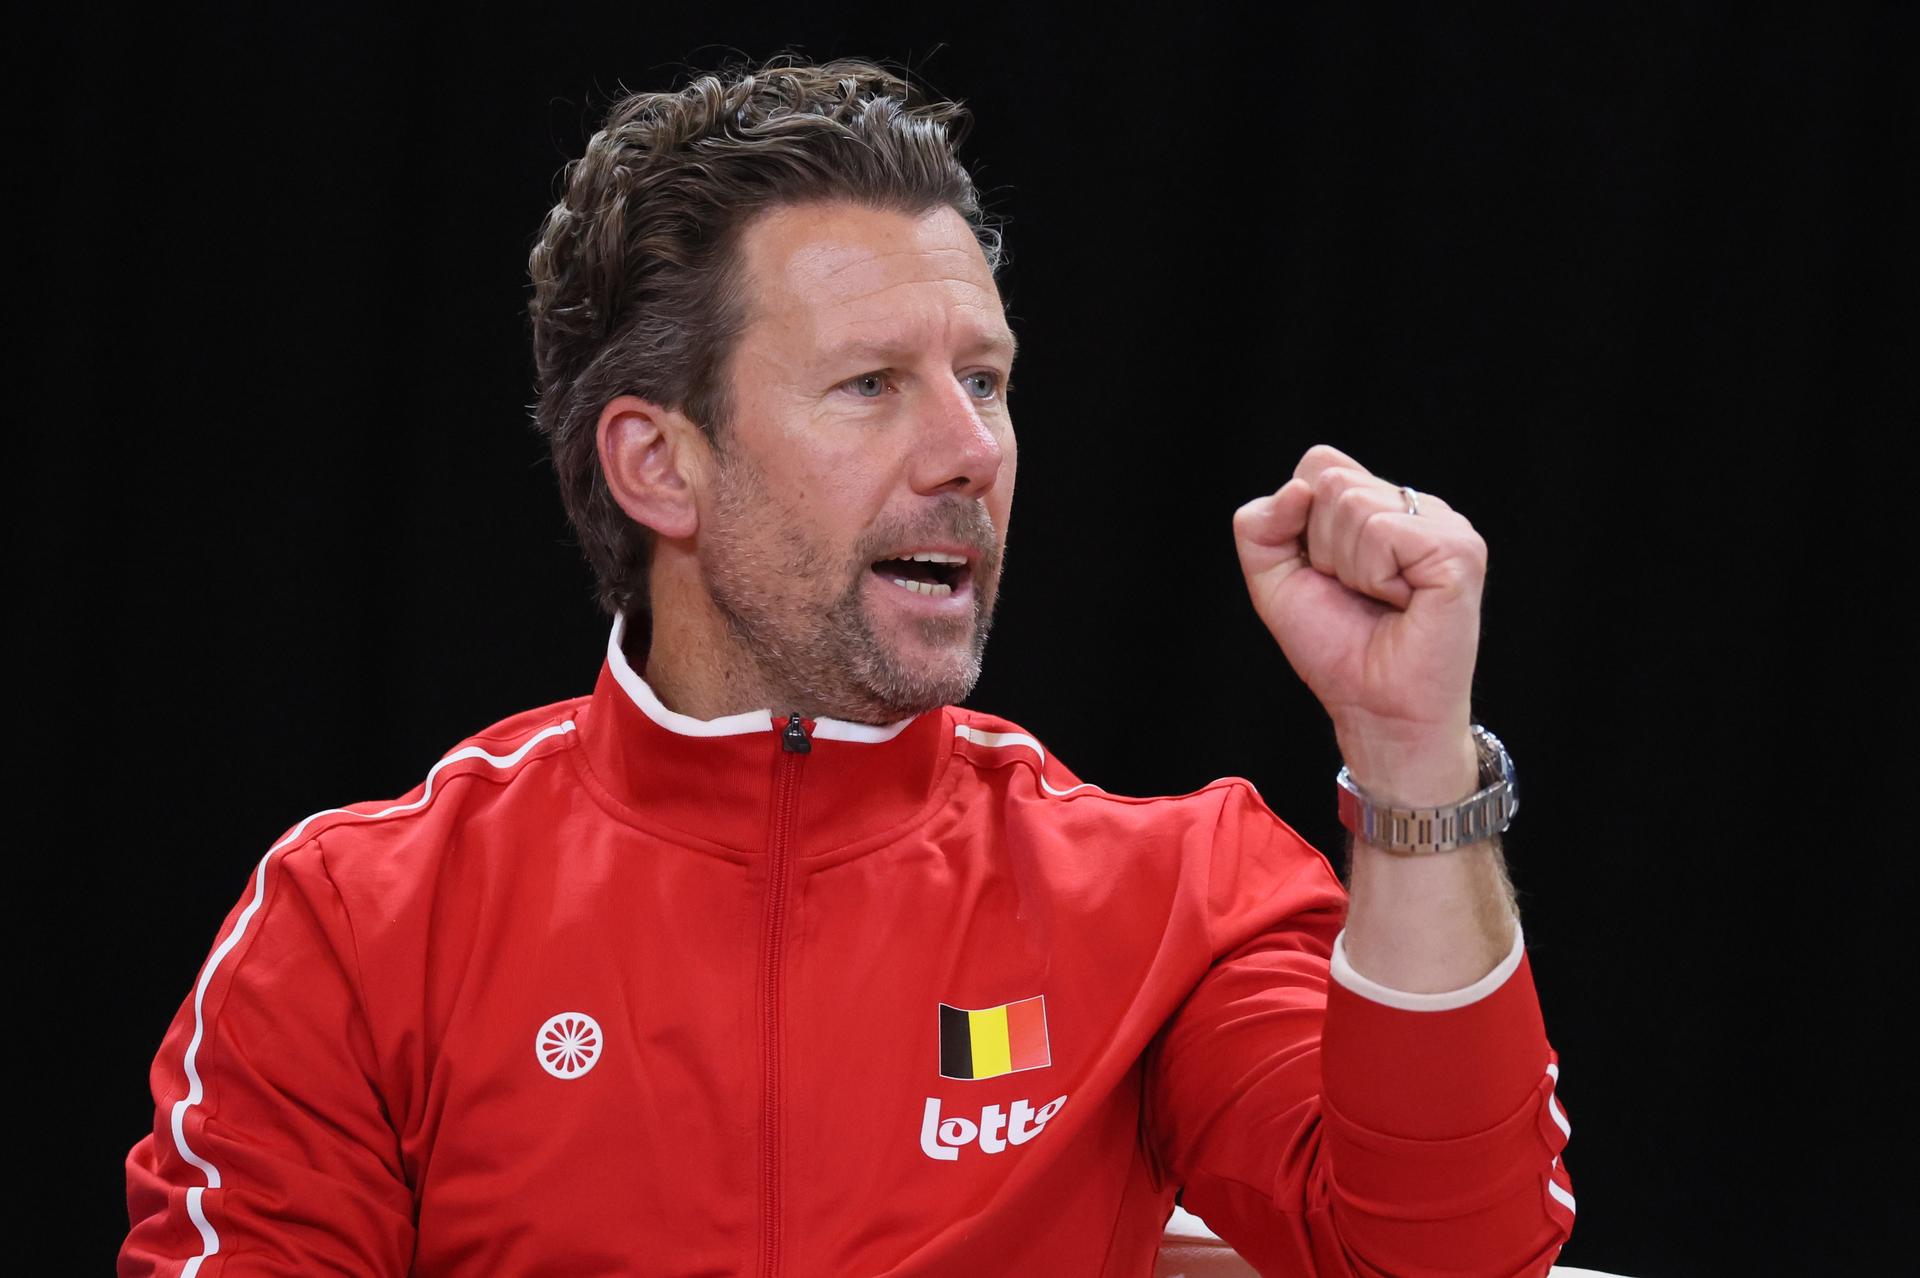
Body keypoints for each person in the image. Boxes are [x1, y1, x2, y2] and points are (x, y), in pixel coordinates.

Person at [120, 55, 1575, 1277]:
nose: (969, 452)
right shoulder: (356, 925)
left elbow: (1446, 1253)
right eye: (874, 385)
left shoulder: (1172, 894)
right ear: (658, 463)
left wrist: (1407, 753)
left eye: (986, 379)